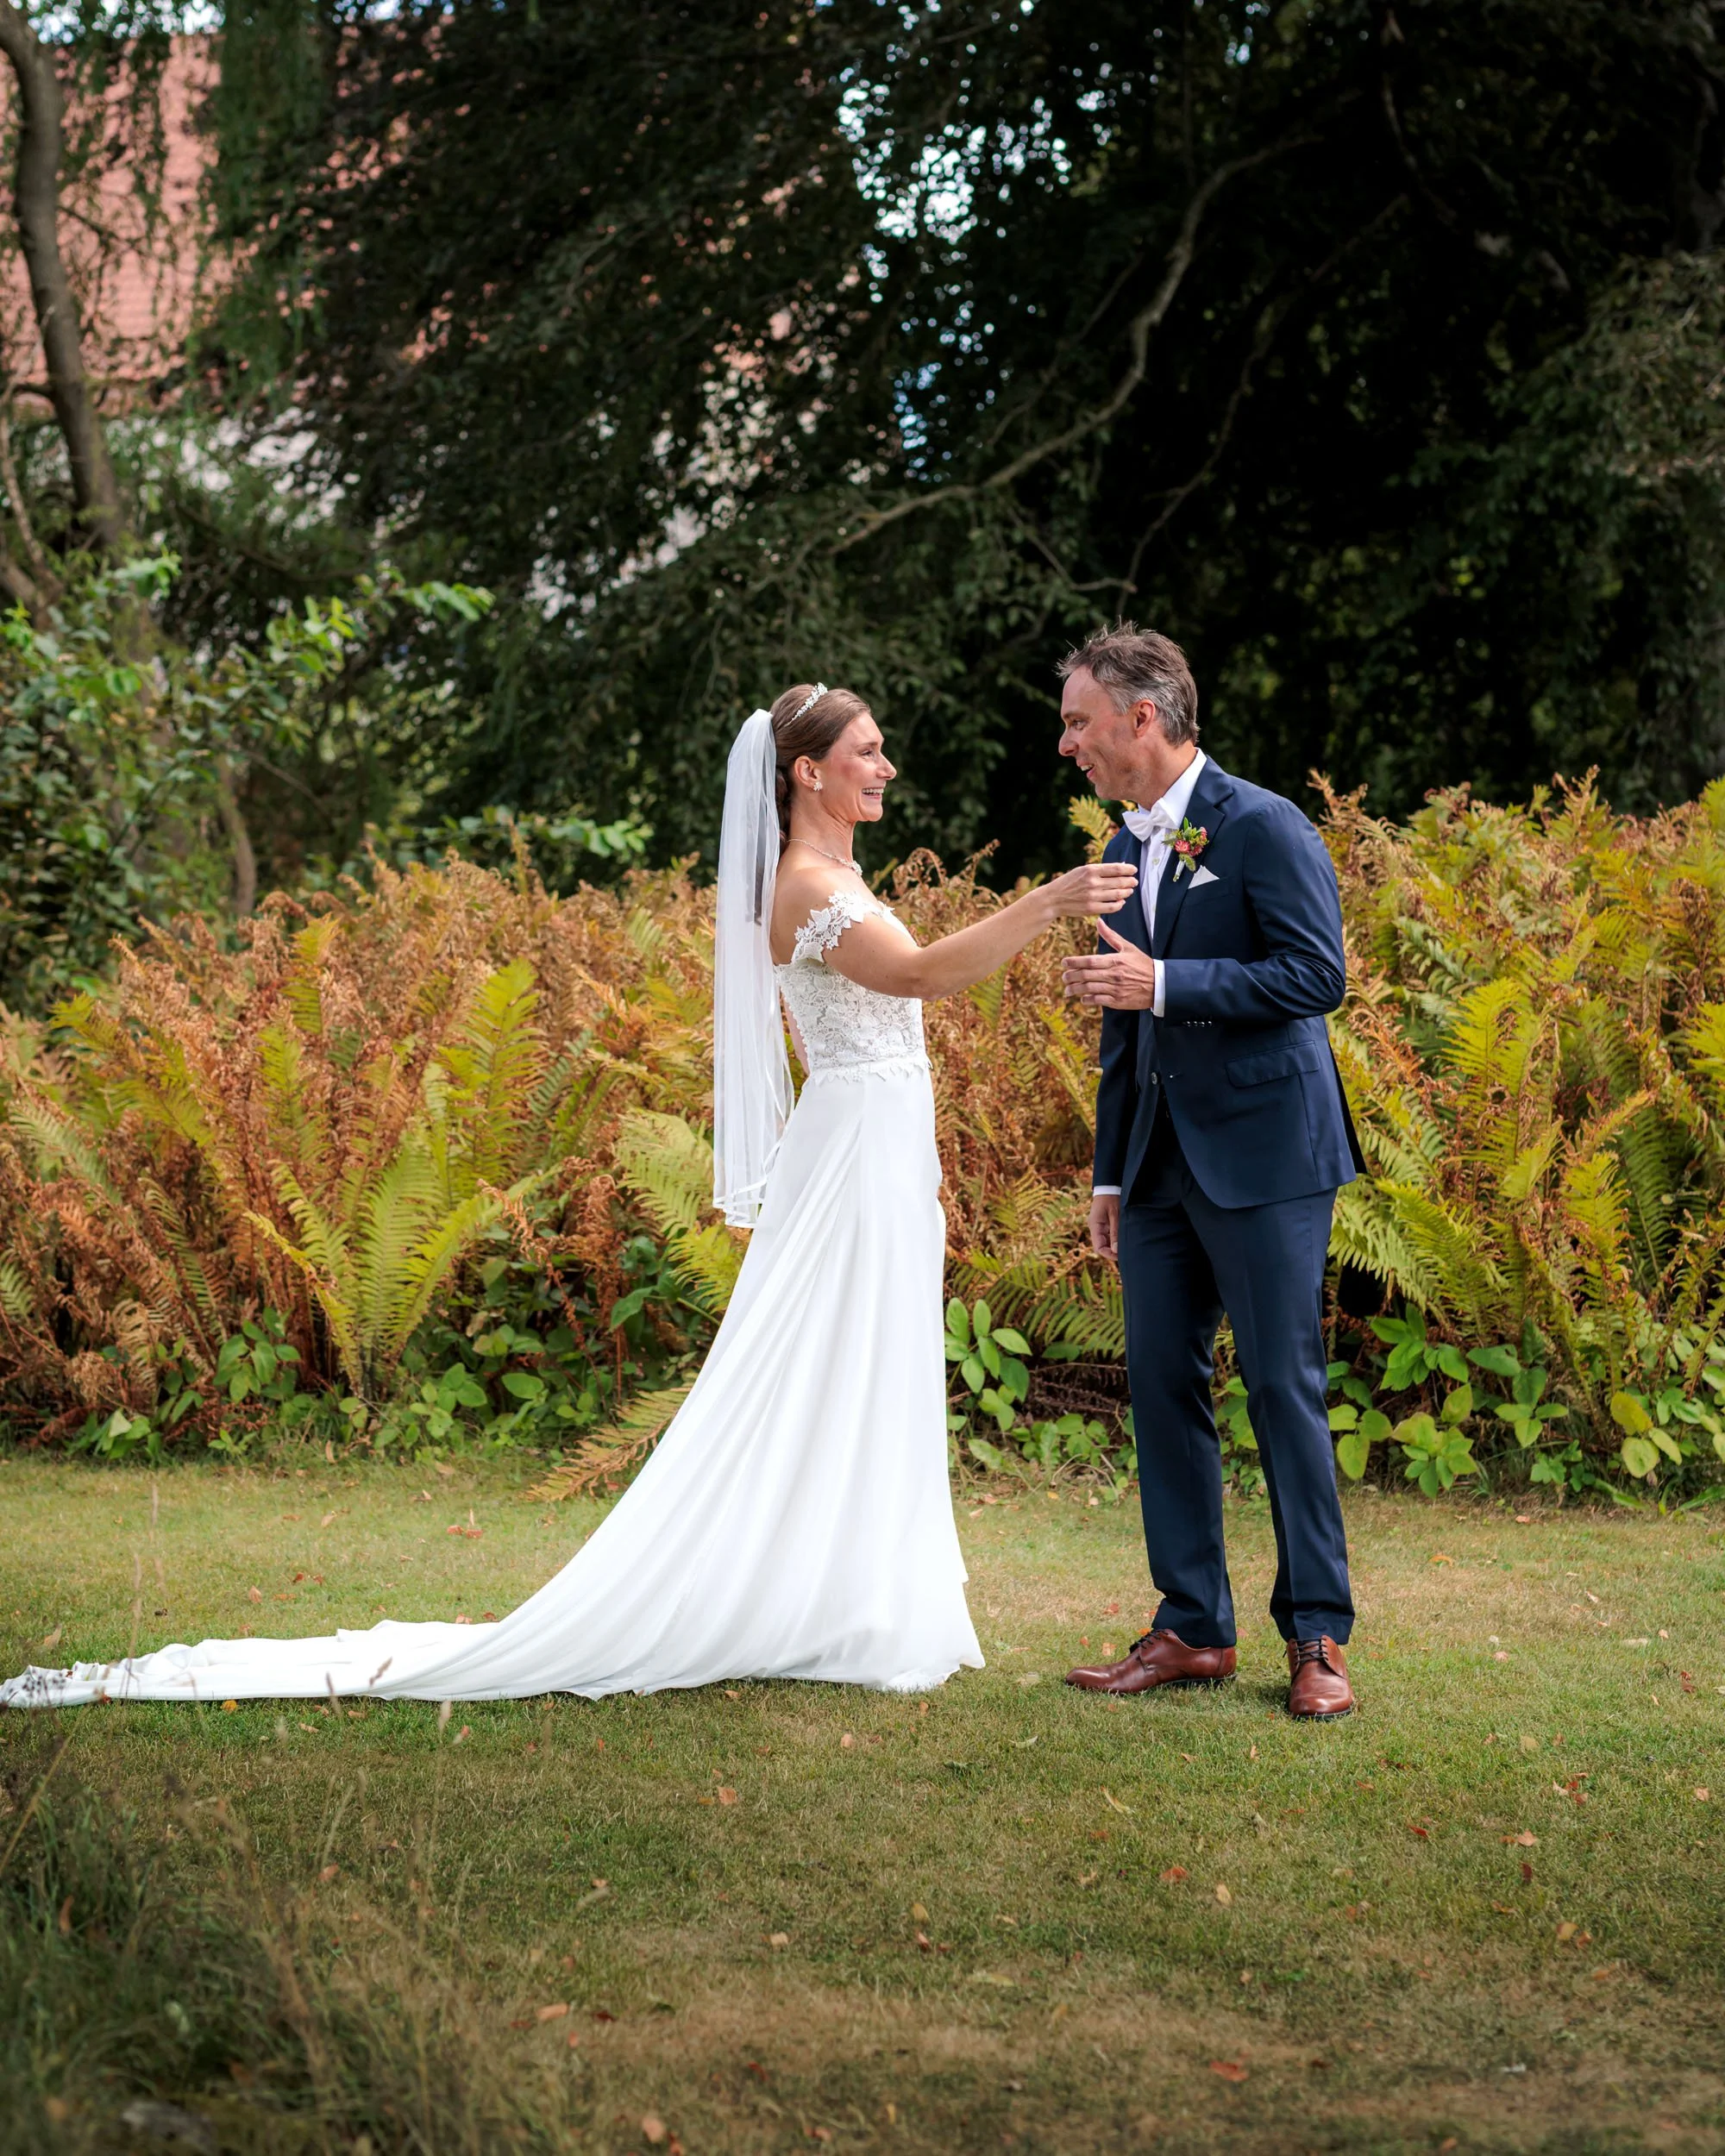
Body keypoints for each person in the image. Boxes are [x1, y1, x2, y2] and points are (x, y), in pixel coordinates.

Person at [1, 685, 1135, 1709]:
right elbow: (924, 975)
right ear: (807, 771)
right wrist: (1049, 901)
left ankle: (860, 1602)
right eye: (869, 752)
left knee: (872, 1360)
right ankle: (824, 1604)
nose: (885, 769)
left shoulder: (838, 876)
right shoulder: (803, 887)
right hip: (849, 1156)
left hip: (881, 1148)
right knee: (824, 1359)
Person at [1056, 624, 1365, 1720]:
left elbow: (1313, 974)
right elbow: (1117, 1013)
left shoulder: (1263, 824)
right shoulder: (1124, 842)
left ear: (1143, 718)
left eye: (1079, 721)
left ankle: (1317, 1635)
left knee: (1282, 1387)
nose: (1067, 744)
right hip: (1152, 1169)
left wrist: (1169, 981)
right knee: (1159, 1387)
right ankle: (1191, 1624)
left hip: (1268, 1156)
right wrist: (1105, 1174)